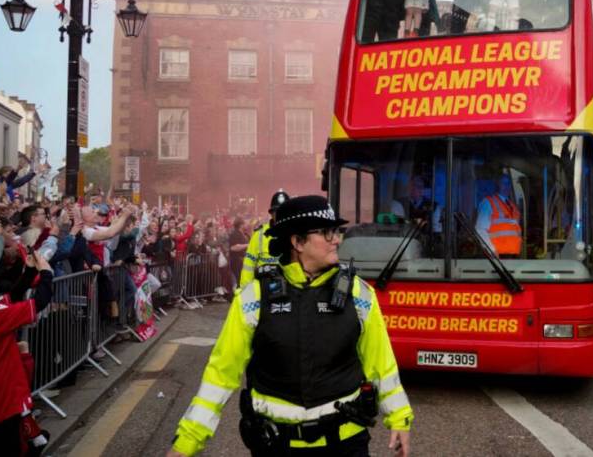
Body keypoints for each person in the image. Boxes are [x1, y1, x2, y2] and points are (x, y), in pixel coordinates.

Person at [168, 195, 412, 457]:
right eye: (326, 233)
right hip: (276, 446)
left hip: (345, 445)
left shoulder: (359, 294)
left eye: (337, 232)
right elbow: (220, 375)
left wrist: (399, 417)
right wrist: (186, 442)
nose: (337, 240)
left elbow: (382, 364)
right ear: (297, 242)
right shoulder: (253, 299)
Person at [0, 250, 53, 453]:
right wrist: (47, 273)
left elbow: (12, 297)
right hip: (2, 401)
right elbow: (39, 302)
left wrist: (31, 269)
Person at [239, 190, 289, 287]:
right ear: (271, 214)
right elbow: (248, 266)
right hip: (264, 291)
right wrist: (246, 293)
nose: (280, 215)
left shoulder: (297, 234)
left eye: (284, 211)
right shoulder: (258, 235)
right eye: (277, 212)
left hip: (292, 292)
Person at [475, 172, 521, 256]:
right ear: (497, 185)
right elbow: (480, 230)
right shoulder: (488, 203)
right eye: (503, 183)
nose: (506, 186)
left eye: (508, 183)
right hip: (497, 257)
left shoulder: (513, 207)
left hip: (514, 255)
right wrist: (491, 250)